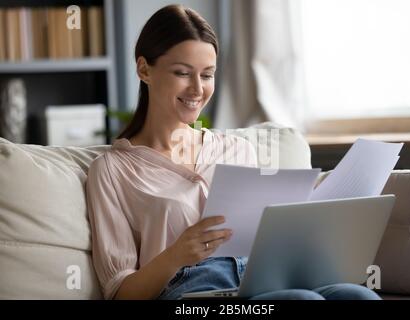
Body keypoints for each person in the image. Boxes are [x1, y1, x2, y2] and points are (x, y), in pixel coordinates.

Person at [86, 4, 381, 300]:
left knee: (359, 296)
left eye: (207, 75)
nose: (197, 89)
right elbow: (119, 293)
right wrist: (176, 254)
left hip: (263, 278)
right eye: (182, 73)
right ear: (144, 69)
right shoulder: (112, 170)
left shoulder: (237, 150)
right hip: (193, 291)